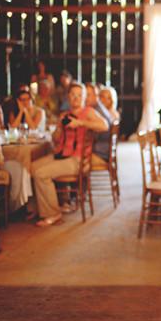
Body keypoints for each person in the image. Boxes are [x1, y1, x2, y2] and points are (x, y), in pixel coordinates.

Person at [30, 83, 108, 227]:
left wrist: (80, 123)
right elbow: (55, 140)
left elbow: (104, 126)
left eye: (79, 95)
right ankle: (36, 208)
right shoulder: (64, 115)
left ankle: (53, 213)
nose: (76, 98)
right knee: (32, 167)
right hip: (61, 154)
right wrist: (60, 126)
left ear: (84, 98)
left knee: (41, 174)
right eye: (73, 95)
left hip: (78, 159)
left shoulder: (88, 112)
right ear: (68, 97)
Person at [85, 83, 114, 170]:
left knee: (75, 160)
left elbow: (91, 138)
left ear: (95, 95)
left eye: (88, 95)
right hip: (106, 152)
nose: (85, 98)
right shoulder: (100, 108)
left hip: (100, 155)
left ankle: (79, 182)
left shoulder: (95, 112)